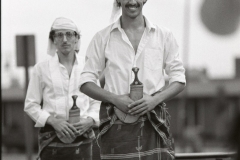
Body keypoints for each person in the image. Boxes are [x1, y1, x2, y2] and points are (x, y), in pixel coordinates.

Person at [79, 0, 186, 159]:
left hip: (153, 121)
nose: (132, 1)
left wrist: (154, 100)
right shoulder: (102, 37)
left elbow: (179, 79)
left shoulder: (164, 35)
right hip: (116, 123)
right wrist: (115, 99)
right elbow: (86, 82)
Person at [24, 17, 100, 160]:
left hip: (84, 139)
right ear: (53, 39)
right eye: (59, 35)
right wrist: (53, 121)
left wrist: (89, 120)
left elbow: (98, 102)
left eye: (69, 34)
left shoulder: (89, 65)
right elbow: (30, 105)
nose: (65, 39)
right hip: (51, 139)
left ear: (76, 38)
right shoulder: (41, 69)